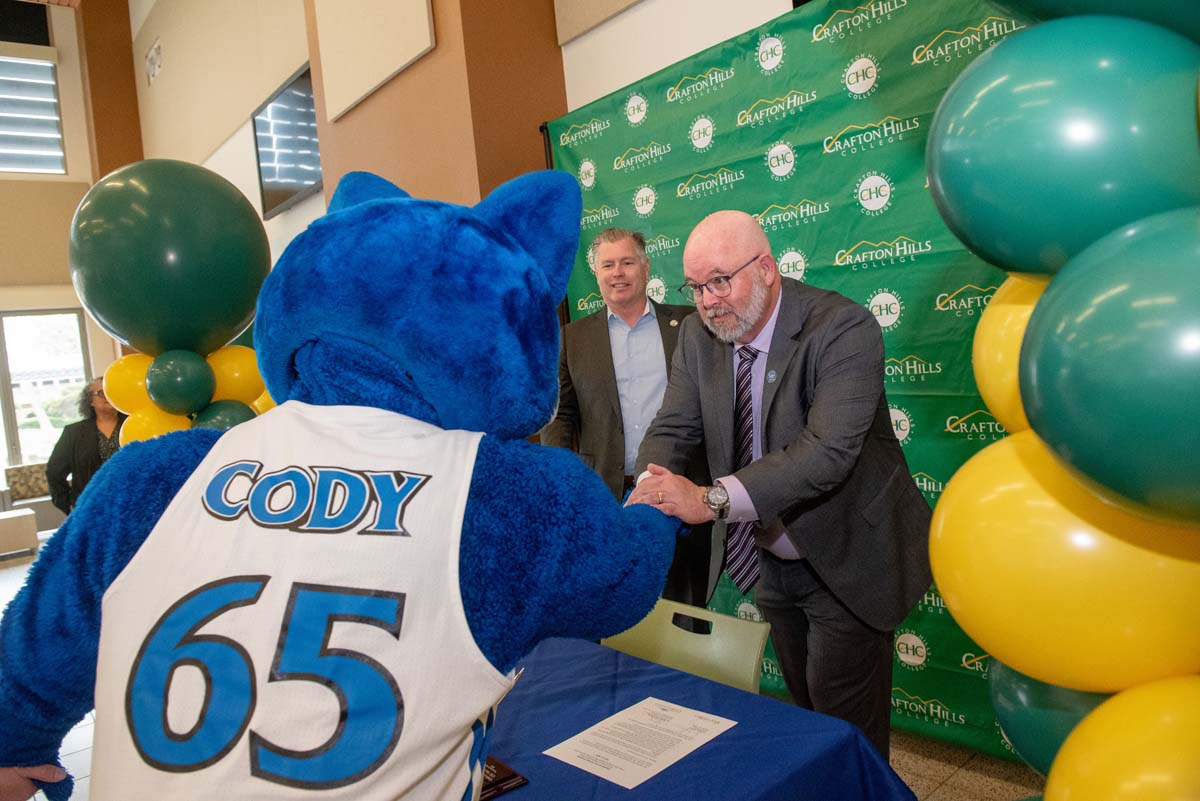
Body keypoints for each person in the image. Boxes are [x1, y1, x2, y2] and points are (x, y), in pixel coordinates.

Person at [627, 210, 932, 757]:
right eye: (694, 287)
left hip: (848, 554)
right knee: (808, 715)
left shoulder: (843, 327)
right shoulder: (699, 337)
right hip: (768, 555)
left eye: (720, 280)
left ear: (766, 268)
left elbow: (827, 453)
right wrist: (649, 490)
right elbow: (674, 427)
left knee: (846, 730)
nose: (707, 301)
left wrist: (711, 499)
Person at [541, 228, 716, 607]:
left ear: (646, 267)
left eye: (626, 262)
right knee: (613, 605)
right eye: (607, 265)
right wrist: (566, 480)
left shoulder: (690, 324)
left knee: (685, 608)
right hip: (606, 495)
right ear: (597, 274)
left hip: (679, 487)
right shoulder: (573, 339)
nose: (617, 272)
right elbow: (560, 417)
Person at [45, 378, 126, 514]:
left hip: (130, 504)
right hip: (90, 508)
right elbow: (54, 472)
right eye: (101, 393)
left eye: (112, 392)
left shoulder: (133, 426)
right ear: (90, 401)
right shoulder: (74, 433)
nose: (108, 396)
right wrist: (69, 504)